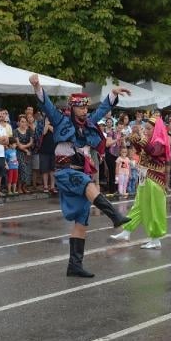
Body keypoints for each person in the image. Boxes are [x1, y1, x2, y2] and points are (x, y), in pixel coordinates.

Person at [30, 73, 131, 278]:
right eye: (81, 107)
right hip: (66, 172)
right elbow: (46, 105)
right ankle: (114, 215)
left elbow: (102, 110)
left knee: (81, 220)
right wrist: (37, 86)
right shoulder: (60, 120)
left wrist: (112, 94)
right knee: (87, 184)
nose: (85, 110)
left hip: (80, 171)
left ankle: (74, 265)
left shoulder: (90, 123)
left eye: (86, 107)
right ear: (72, 107)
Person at [110, 116, 171, 249]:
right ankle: (127, 231)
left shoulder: (160, 141)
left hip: (155, 179)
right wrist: (134, 136)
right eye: (146, 128)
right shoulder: (150, 140)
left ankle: (156, 239)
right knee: (138, 205)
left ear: (156, 129)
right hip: (144, 176)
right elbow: (139, 149)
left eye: (149, 129)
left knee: (154, 208)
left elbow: (152, 151)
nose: (147, 131)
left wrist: (141, 137)